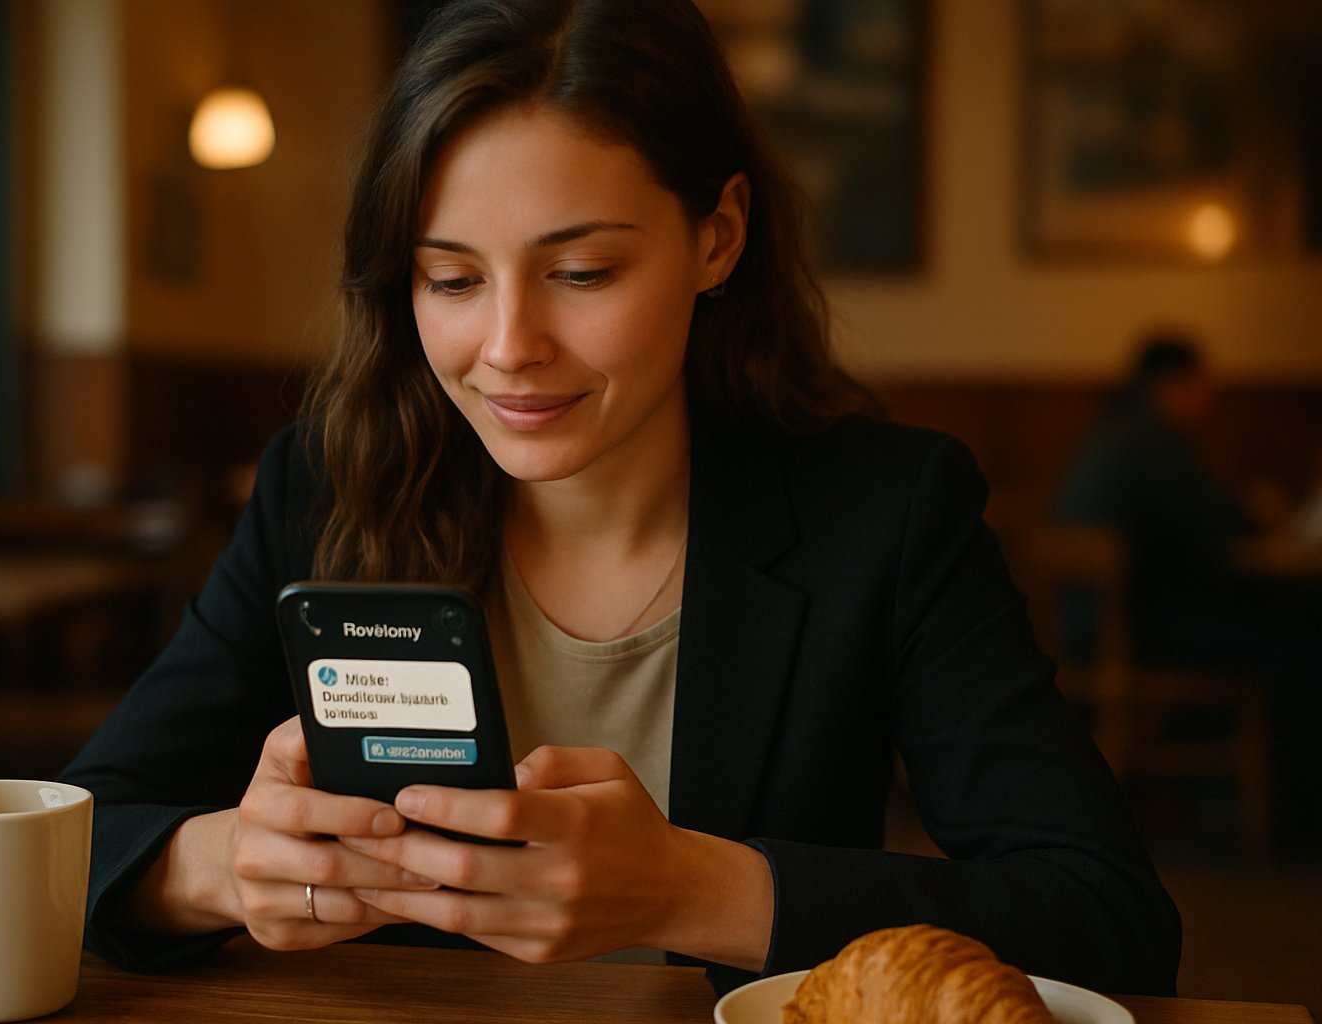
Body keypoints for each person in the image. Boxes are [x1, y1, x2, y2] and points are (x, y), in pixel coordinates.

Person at [60, 0, 1181, 995]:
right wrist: (223, 865)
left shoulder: (885, 514)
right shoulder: (327, 482)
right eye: (450, 278)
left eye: (583, 272)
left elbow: (1107, 917)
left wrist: (692, 889)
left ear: (717, 237)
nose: (506, 349)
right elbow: (76, 831)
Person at [1054, 332, 1322, 852]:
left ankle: (1214, 797)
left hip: (1085, 627)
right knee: (1300, 636)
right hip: (1128, 634)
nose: (1209, 399)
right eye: (1201, 385)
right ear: (1172, 385)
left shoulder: (1114, 432)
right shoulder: (1151, 441)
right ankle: (1298, 821)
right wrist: (1261, 509)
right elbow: (1218, 528)